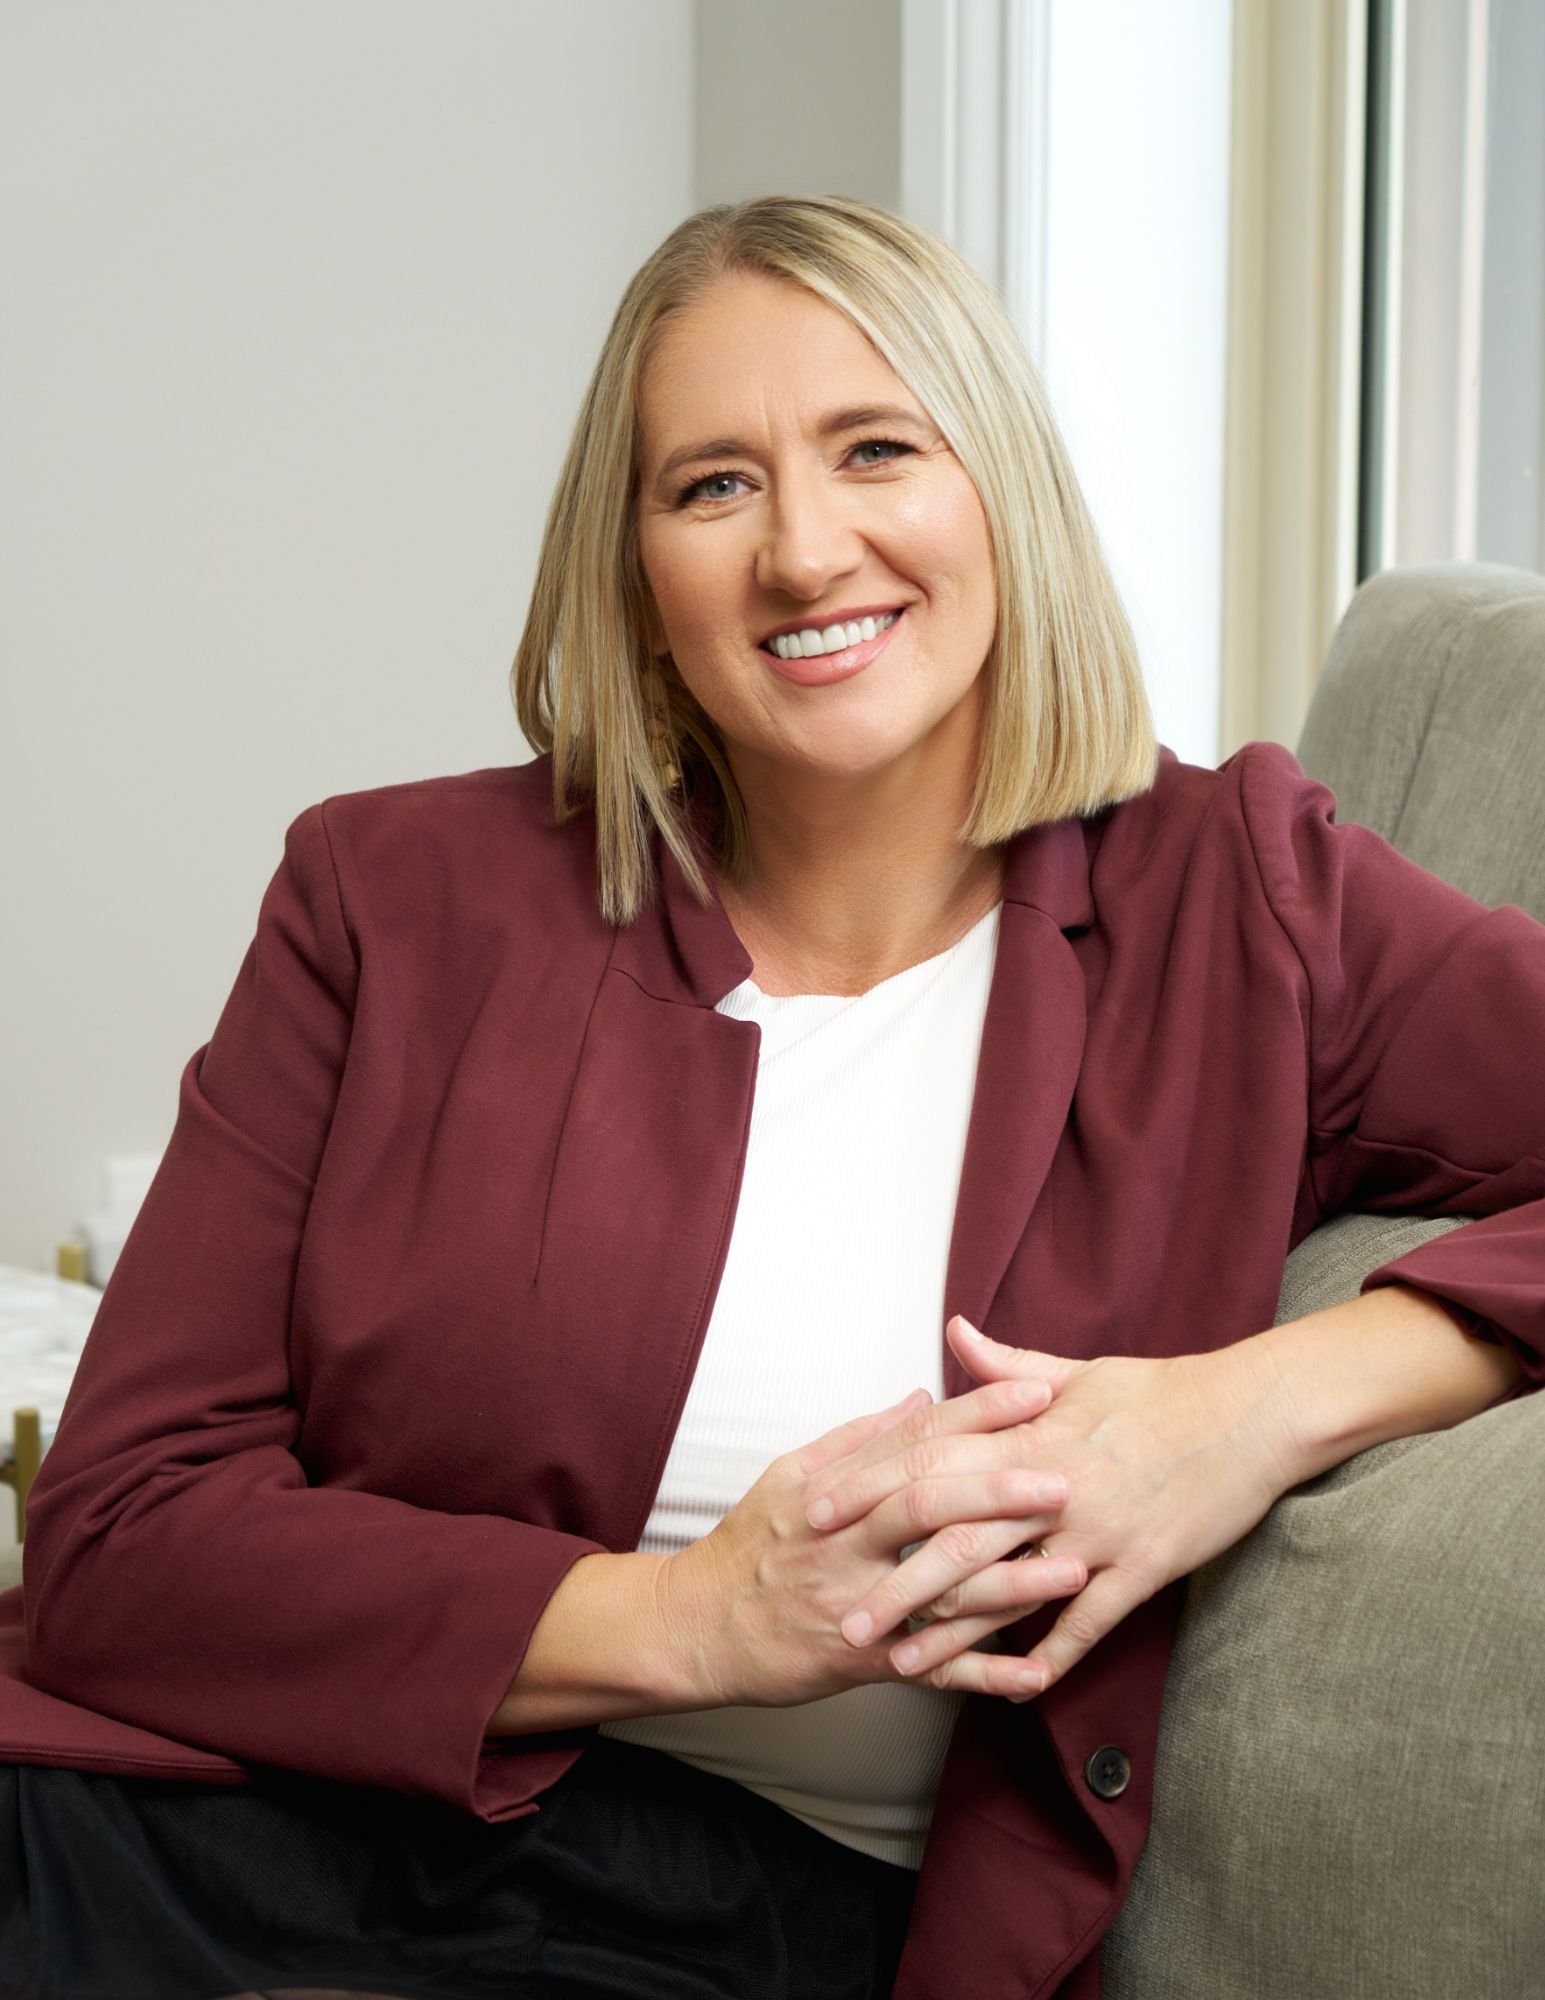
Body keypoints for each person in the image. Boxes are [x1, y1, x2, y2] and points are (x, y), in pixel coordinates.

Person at [0, 192, 1541, 2000]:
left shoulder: (1245, 901)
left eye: (875, 448)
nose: (804, 553)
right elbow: (116, 1537)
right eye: (712, 485)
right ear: (636, 574)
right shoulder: (386, 901)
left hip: (748, 1921)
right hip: (203, 1818)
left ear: (1002, 492)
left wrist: (1251, 1411)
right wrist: (693, 1618)